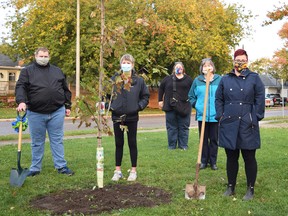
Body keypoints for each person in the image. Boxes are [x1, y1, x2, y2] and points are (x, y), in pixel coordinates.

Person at [15, 47, 74, 176]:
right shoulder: (27, 71)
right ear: (35, 56)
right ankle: (35, 168)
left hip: (57, 111)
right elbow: (21, 87)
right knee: (37, 141)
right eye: (41, 56)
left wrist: (68, 106)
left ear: (49, 57)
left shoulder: (57, 71)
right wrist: (21, 101)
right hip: (35, 112)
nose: (43, 58)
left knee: (57, 139)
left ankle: (61, 166)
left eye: (45, 56)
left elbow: (65, 90)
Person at [215, 49, 265, 200]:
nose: (240, 62)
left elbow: (260, 98)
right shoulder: (225, 79)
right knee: (231, 157)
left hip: (248, 123)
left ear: (247, 61)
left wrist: (255, 116)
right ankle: (231, 187)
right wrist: (220, 115)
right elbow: (218, 99)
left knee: (249, 157)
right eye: (238, 59)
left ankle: (250, 189)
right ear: (233, 61)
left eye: (243, 60)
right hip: (229, 122)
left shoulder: (254, 78)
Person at [110, 54, 150, 182]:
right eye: (124, 62)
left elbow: (145, 96)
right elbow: (106, 96)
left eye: (128, 62)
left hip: (132, 116)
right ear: (121, 64)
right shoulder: (115, 79)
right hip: (117, 116)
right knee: (118, 143)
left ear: (132, 65)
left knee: (132, 142)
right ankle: (118, 170)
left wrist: (138, 106)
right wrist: (110, 106)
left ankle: (133, 170)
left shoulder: (139, 81)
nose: (126, 64)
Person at [188, 58, 221, 170]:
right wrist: (197, 105)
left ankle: (213, 162)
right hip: (202, 115)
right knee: (203, 139)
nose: (207, 67)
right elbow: (191, 96)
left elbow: (223, 96)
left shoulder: (219, 80)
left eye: (209, 65)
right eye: (205, 66)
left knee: (213, 139)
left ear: (212, 67)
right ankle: (203, 161)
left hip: (215, 116)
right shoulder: (197, 81)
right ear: (201, 68)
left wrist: (220, 109)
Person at [158, 62, 193, 150]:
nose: (178, 68)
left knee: (184, 127)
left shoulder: (188, 79)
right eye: (177, 67)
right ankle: (172, 146)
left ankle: (183, 145)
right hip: (170, 106)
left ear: (183, 69)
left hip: (184, 107)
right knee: (171, 127)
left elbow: (193, 91)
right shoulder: (167, 79)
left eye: (180, 67)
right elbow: (161, 88)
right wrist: (160, 100)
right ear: (174, 69)